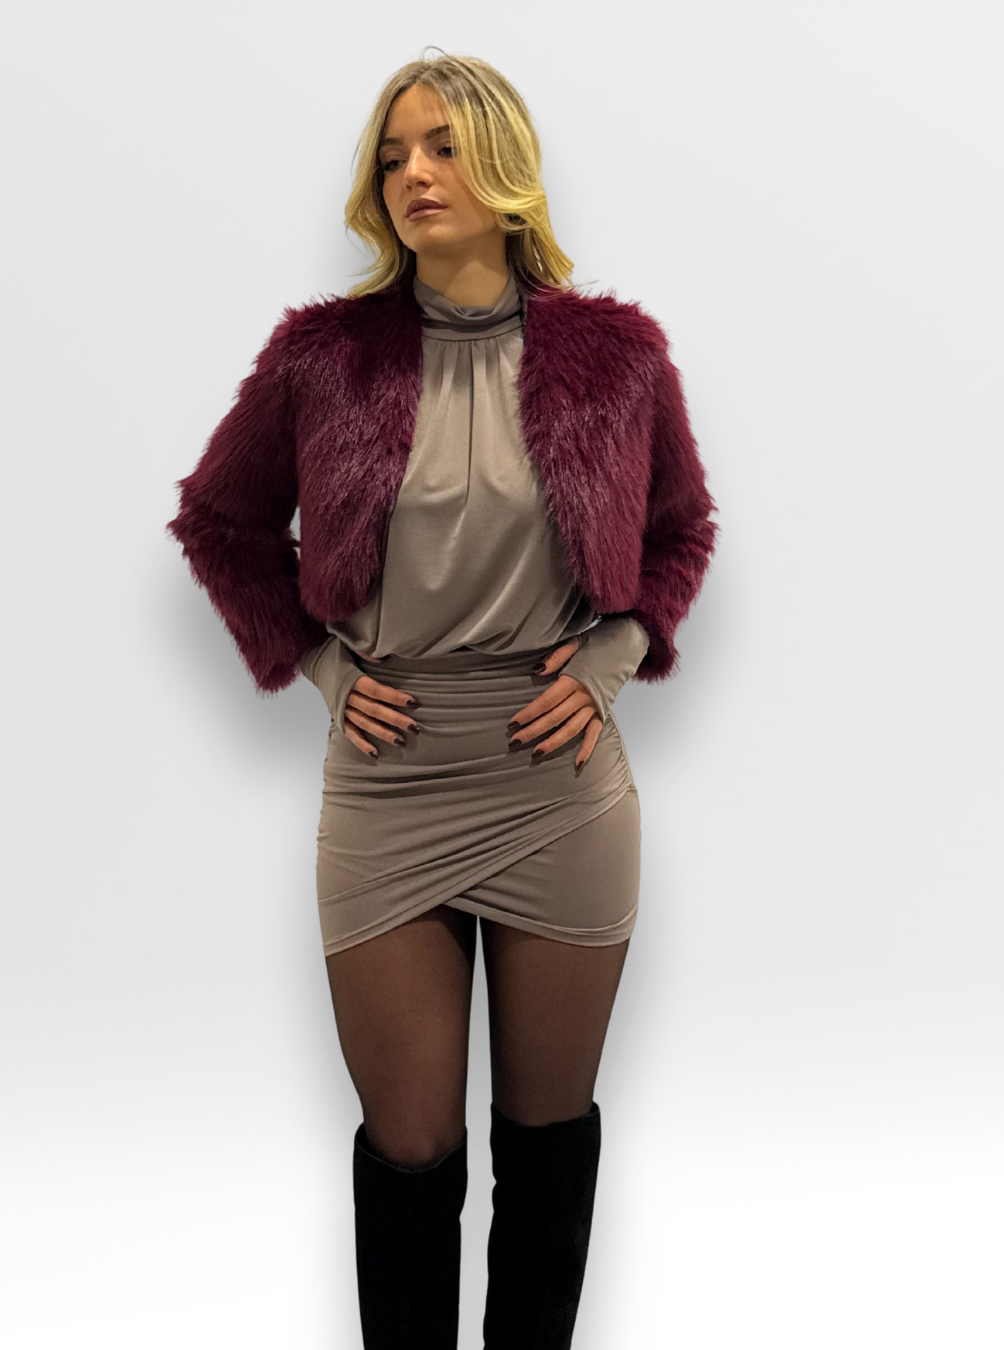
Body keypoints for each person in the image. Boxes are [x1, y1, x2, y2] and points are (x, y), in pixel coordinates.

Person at [167, 49, 718, 1350]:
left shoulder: (617, 357)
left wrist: (612, 660)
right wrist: (317, 667)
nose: (412, 173)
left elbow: (681, 531)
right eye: (392, 155)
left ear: (504, 165)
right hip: (390, 785)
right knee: (409, 1147)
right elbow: (219, 523)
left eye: (441, 146)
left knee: (546, 1136)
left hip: (558, 790)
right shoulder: (321, 358)